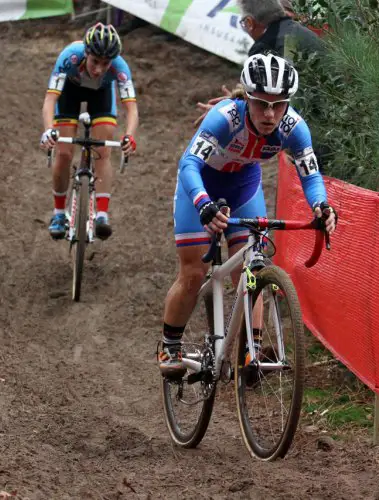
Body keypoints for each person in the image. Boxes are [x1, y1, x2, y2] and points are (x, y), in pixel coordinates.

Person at [158, 52, 337, 377]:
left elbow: (310, 176)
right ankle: (170, 344)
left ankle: (249, 352)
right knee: (194, 272)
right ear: (248, 98)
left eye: (279, 104)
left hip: (244, 187)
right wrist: (202, 204)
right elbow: (189, 165)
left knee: (252, 267)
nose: (270, 113)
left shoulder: (294, 127)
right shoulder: (225, 118)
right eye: (262, 104)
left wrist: (321, 206)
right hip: (199, 187)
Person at [40, 23, 139, 240]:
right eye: (95, 61)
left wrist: (130, 136)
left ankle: (102, 214)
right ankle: (58, 214)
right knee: (64, 152)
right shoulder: (69, 58)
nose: (99, 69)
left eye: (106, 63)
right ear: (86, 53)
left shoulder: (120, 68)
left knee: (103, 152)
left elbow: (131, 108)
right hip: (69, 93)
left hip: (101, 95)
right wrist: (49, 131)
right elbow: (50, 100)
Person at [193, 0, 324, 128]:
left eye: (244, 23)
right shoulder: (299, 32)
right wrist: (239, 99)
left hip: (312, 127)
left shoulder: (267, 46)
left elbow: (275, 99)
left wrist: (226, 112)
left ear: (249, 23)